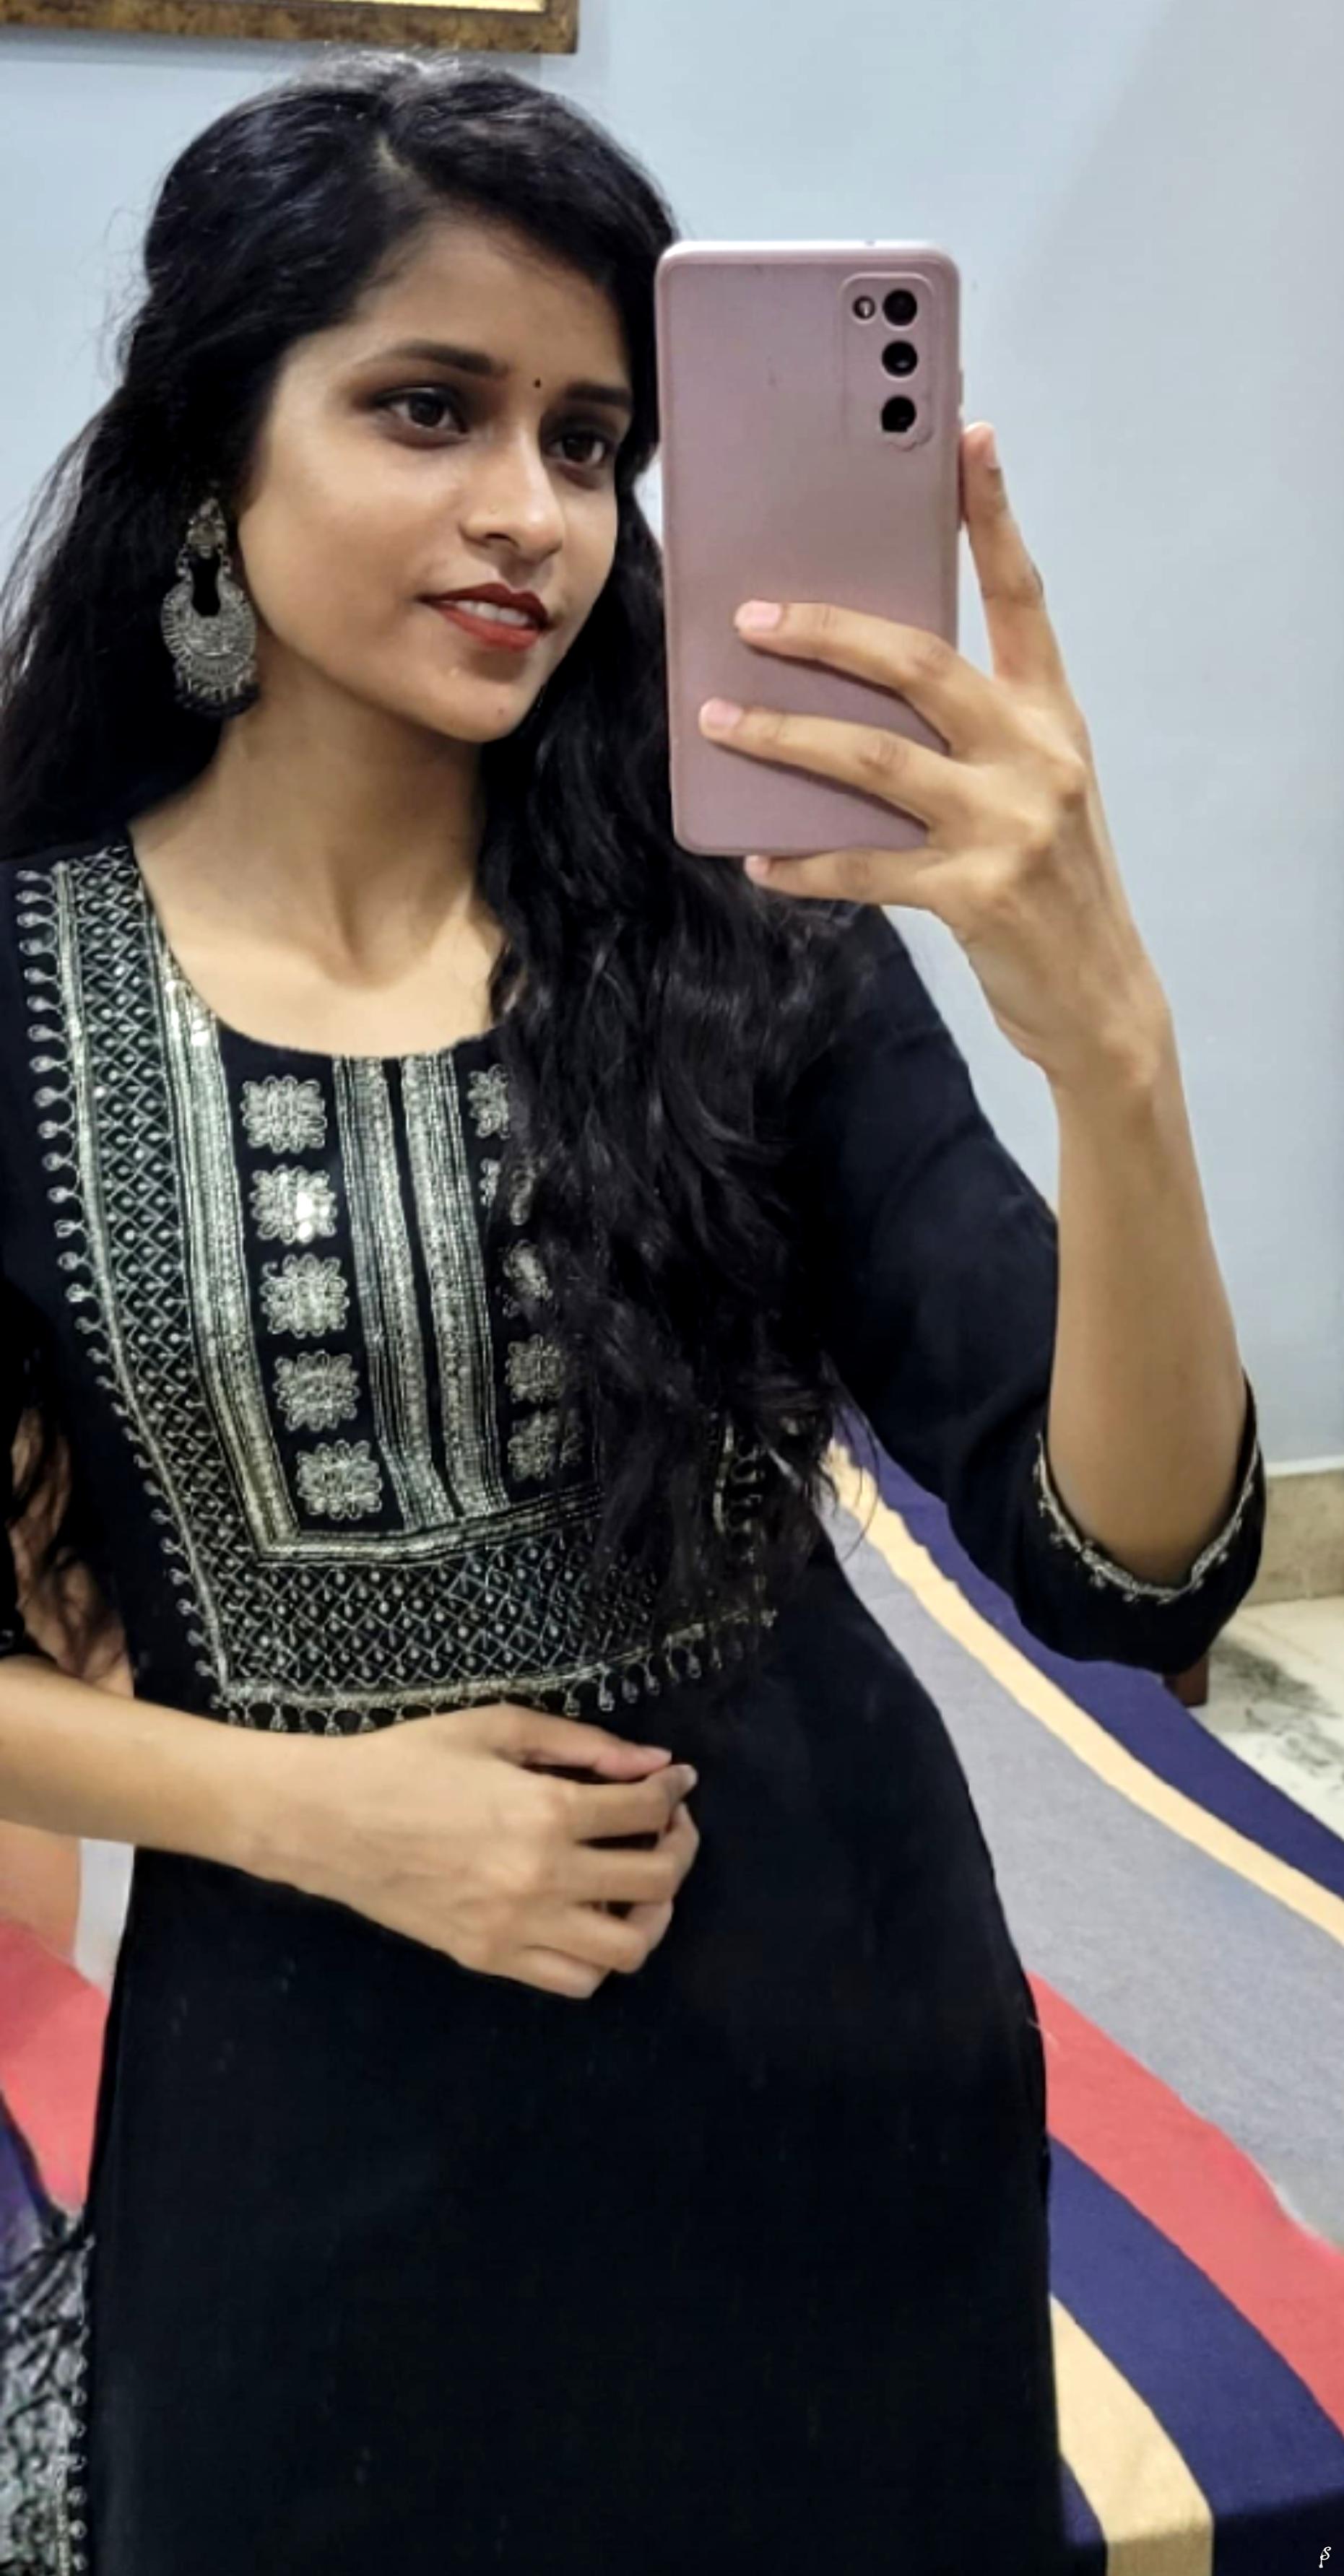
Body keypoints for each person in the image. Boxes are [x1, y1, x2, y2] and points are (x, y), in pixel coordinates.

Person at [0, 53, 1266, 2576]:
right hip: (308, 2098)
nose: (537, 515)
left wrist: (1110, 1047)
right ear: (212, 445)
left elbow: (1132, 1562)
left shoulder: (745, 951)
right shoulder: (19, 994)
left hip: (834, 2068)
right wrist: (310, 1809)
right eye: (430, 408)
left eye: (590, 443)